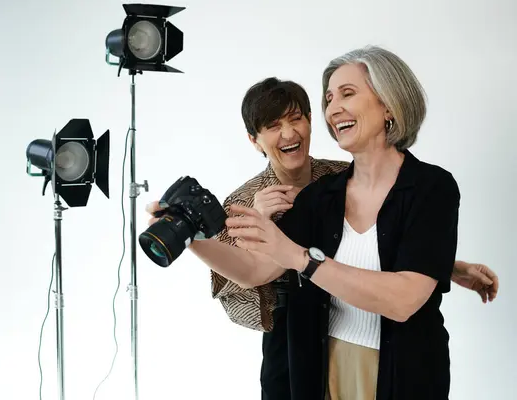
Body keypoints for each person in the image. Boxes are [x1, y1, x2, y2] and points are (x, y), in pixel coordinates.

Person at [145, 61, 499, 398]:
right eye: (330, 98)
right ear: (255, 139)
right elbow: (253, 270)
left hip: (403, 365)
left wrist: (444, 265)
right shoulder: (307, 197)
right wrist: (190, 236)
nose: (333, 108)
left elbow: (394, 270)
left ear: (389, 104)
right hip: (310, 349)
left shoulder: (408, 184)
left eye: (347, 93)